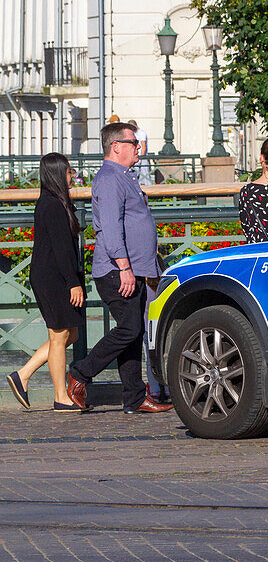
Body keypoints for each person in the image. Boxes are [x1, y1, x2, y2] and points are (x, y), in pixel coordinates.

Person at [65, 123, 172, 415]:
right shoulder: (110, 179)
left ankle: (135, 398)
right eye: (132, 142)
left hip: (133, 269)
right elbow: (111, 229)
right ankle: (80, 373)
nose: (138, 146)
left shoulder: (123, 176)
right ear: (116, 146)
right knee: (129, 329)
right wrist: (124, 267)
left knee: (133, 333)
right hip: (116, 270)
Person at [5, 154, 84, 412]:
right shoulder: (51, 205)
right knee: (60, 334)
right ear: (57, 174)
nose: (73, 177)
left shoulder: (54, 202)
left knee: (68, 333)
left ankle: (23, 374)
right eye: (69, 172)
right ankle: (61, 397)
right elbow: (62, 249)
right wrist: (73, 282)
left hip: (52, 275)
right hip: (53, 278)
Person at [129, 119, 153, 186]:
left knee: (145, 176)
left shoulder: (141, 133)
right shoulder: (133, 133)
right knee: (135, 175)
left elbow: (143, 146)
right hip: (134, 157)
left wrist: (141, 158)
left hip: (141, 157)